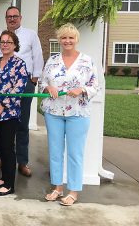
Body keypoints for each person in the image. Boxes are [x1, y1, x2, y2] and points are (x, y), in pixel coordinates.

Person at [39, 23, 100, 206]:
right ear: (59, 40)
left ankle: (73, 191)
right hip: (54, 112)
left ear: (76, 40)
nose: (67, 41)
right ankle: (57, 188)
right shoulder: (52, 60)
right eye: (64, 38)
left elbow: (95, 86)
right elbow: (42, 83)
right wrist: (48, 87)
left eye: (71, 38)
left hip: (78, 113)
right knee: (55, 152)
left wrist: (81, 89)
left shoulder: (87, 61)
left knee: (75, 153)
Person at [0, 6, 43, 177]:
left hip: (23, 83)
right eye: (9, 16)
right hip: (0, 86)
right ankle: (0, 157)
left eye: (15, 16)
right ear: (5, 18)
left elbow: (38, 55)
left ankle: (22, 161)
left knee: (21, 123)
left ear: (20, 17)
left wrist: (34, 78)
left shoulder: (31, 34)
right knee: (0, 120)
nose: (12, 19)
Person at [0, 30, 28, 196]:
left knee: (8, 147)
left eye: (8, 42)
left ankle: (9, 184)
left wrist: (3, 105)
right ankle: (3, 177)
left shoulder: (19, 64)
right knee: (1, 147)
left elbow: (19, 88)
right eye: (2, 42)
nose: (4, 44)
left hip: (9, 112)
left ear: (15, 45)